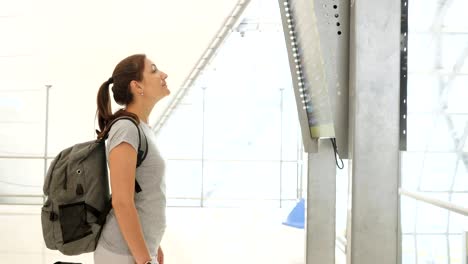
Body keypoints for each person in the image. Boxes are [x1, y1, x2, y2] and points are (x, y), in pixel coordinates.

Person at [94, 54, 169, 264]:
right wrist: (145, 259)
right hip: (122, 254)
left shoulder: (142, 128)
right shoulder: (126, 128)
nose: (164, 74)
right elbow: (122, 201)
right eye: (154, 70)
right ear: (137, 86)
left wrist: (154, 244)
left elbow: (143, 192)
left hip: (138, 251)